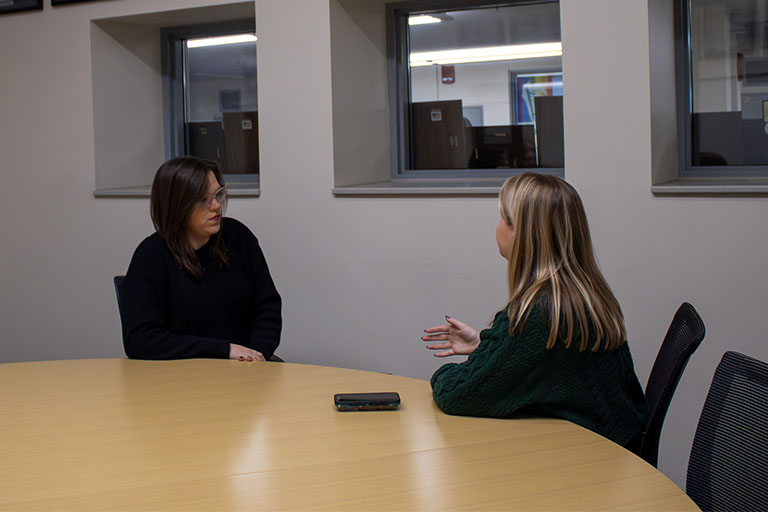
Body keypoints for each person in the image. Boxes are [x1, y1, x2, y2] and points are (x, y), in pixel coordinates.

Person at [421, 172, 649, 449]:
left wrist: (440, 374)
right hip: (618, 447)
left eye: (504, 218)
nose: (498, 226)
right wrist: (485, 346)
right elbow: (549, 364)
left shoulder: (539, 314)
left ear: (524, 234)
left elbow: (457, 394)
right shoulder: (584, 294)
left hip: (594, 462)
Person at [119, 156, 282, 362]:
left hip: (245, 371)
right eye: (203, 199)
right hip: (179, 378)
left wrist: (254, 356)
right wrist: (223, 350)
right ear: (177, 205)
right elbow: (139, 340)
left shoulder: (238, 237)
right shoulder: (151, 255)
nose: (216, 206)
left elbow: (268, 307)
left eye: (218, 195)